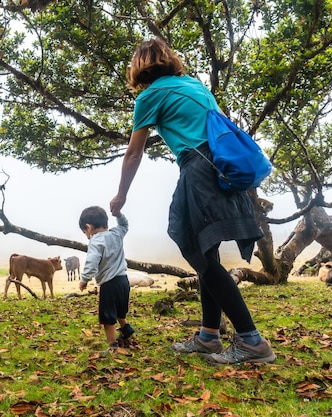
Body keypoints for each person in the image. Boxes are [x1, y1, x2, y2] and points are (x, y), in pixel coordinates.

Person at [109, 37, 276, 364]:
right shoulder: (194, 85)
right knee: (206, 253)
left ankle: (252, 341)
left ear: (139, 67)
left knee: (198, 254)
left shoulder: (149, 96)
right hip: (222, 167)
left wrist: (121, 195)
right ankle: (208, 336)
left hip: (199, 168)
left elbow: (133, 153)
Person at [78, 206, 135, 355]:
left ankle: (113, 346)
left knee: (108, 317)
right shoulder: (116, 233)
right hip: (124, 281)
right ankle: (126, 329)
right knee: (120, 311)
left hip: (109, 284)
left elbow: (92, 262)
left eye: (85, 233)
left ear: (88, 227)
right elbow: (124, 225)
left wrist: (84, 279)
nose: (87, 236)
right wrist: (119, 214)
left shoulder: (95, 241)